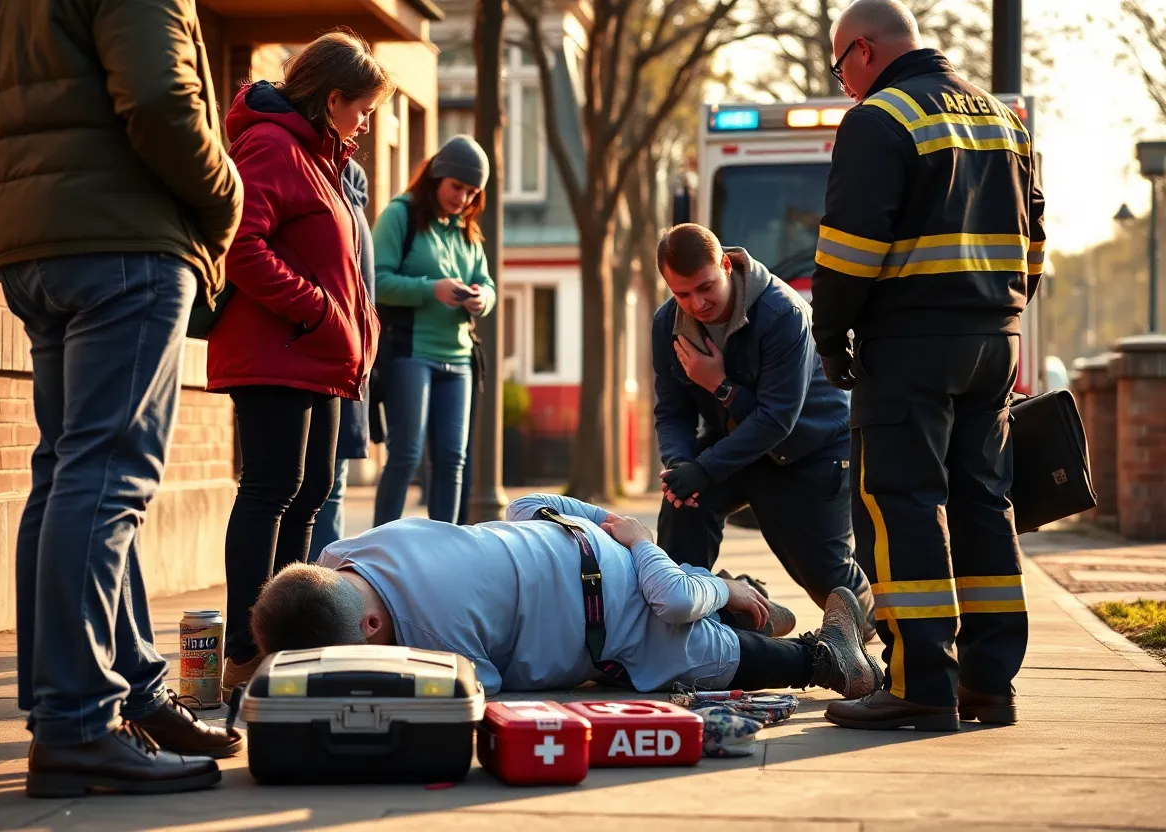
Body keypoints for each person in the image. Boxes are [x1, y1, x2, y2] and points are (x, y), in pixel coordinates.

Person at [0, 0, 244, 797]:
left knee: (70, 472)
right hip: (121, 243)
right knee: (103, 480)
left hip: (42, 242)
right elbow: (162, 101)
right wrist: (224, 198)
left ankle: (125, 690)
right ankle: (77, 724)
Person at [812, 0, 1045, 731]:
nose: (843, 84)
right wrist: (1002, 310)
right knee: (984, 504)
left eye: (839, 67)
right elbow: (1035, 235)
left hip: (911, 347)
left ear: (864, 51)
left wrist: (832, 333)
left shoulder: (880, 119)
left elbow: (851, 247)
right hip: (994, 341)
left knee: (902, 503)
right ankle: (989, 683)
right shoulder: (1003, 119)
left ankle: (920, 686)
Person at [251, 494, 882, 699]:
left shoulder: (438, 644)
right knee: (526, 510)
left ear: (369, 628)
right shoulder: (355, 553)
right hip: (570, 533)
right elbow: (316, 585)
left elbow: (492, 692)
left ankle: (823, 658)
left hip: (613, 618)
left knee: (695, 654)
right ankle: (728, 594)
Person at [206, 31, 393, 702]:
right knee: (271, 489)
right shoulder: (272, 145)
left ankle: (287, 642)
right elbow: (240, 246)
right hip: (277, 353)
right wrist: (315, 310)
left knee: (311, 491)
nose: (367, 120)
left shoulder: (322, 158)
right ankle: (243, 653)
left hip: (318, 356)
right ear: (332, 96)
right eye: (363, 107)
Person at [651, 224, 876, 638]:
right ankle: (689, 626)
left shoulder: (782, 313)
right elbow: (671, 412)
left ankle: (866, 622)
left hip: (810, 449)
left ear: (725, 264)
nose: (696, 303)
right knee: (685, 506)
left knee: (824, 574)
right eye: (682, 293)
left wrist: (718, 384)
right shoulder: (667, 325)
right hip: (734, 446)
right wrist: (682, 464)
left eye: (705, 287)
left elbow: (777, 419)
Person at [371, 135, 495, 527]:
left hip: (458, 358)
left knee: (452, 459)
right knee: (406, 455)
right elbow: (375, 280)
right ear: (436, 176)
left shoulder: (466, 231)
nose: (463, 198)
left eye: (472, 192)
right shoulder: (400, 216)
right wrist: (432, 289)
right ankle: (378, 546)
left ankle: (447, 550)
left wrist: (481, 299)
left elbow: (487, 283)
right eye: (457, 187)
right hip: (411, 352)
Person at [308, 159, 378, 562]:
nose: (366, 123)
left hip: (348, 359)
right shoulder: (305, 165)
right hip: (319, 352)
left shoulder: (352, 183)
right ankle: (302, 598)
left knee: (332, 483)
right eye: (362, 110)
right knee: (307, 486)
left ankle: (320, 593)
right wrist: (322, 315)